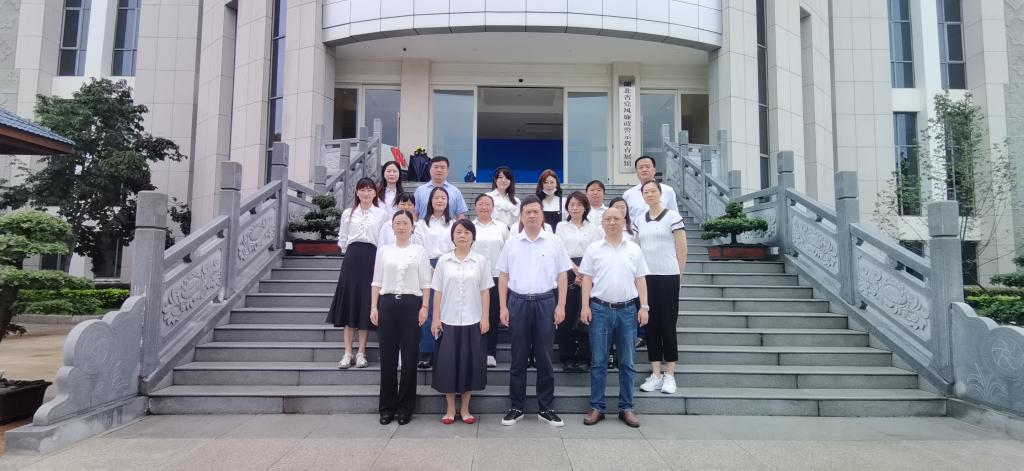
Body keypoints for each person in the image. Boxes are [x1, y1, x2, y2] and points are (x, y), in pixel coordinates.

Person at [496, 195, 572, 427]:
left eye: (535, 212)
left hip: (545, 302)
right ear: (521, 216)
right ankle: (516, 406)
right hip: (518, 303)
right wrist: (503, 306)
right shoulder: (511, 243)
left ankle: (546, 407)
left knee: (545, 358)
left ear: (542, 216)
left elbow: (562, 275)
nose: (531, 215)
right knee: (518, 358)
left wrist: (561, 305)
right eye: (527, 212)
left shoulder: (554, 242)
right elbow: (503, 276)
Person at [579, 206, 650, 428]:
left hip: (628, 311)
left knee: (627, 361)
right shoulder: (594, 249)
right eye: (607, 219)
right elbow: (587, 279)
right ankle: (597, 407)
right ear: (602, 222)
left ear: (623, 220)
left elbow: (640, 279)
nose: (612, 222)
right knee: (599, 360)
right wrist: (584, 306)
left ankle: (626, 407)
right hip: (599, 309)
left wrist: (644, 307)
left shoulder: (634, 249)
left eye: (616, 218)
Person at [371, 210, 432, 426]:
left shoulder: (420, 251)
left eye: (405, 223)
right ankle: (387, 407)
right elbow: (376, 281)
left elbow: (426, 283)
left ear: (412, 227)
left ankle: (406, 407)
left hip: (411, 305)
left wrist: (425, 307)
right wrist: (374, 307)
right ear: (392, 227)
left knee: (409, 357)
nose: (401, 227)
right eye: (398, 223)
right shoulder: (384, 251)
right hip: (387, 304)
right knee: (387, 358)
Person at [430, 220, 493, 425]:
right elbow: (437, 292)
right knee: (447, 365)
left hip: (473, 320)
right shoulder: (443, 261)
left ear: (473, 237)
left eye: (467, 232)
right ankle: (450, 409)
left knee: (470, 366)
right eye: (458, 232)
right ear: (452, 236)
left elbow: (485, 291)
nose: (462, 235)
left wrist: (485, 317)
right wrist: (435, 318)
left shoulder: (480, 261)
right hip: (447, 320)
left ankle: (465, 409)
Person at [327, 177, 389, 369]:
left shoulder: (382, 214)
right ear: (356, 191)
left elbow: (384, 239)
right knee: (350, 303)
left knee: (365, 304)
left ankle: (361, 352)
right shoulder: (348, 213)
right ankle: (347, 352)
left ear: (375, 192)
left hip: (372, 257)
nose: (366, 193)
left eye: (370, 189)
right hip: (352, 258)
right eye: (362, 189)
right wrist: (348, 253)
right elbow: (343, 238)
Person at [634, 180, 688, 395]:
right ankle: (656, 374)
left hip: (668, 277)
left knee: (667, 324)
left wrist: (679, 276)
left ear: (660, 193)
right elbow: (636, 250)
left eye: (653, 191)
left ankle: (670, 374)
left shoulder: (673, 217)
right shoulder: (639, 220)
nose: (649, 194)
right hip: (646, 278)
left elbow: (682, 249)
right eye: (645, 192)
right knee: (651, 326)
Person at [554, 191, 602, 372]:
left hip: (589, 271)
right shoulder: (561, 226)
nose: (575, 208)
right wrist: (576, 270)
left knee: (585, 314)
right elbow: (560, 251)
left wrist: (585, 273)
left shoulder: (594, 228)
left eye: (579, 205)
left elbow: (596, 251)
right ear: (567, 207)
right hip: (566, 270)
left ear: (585, 207)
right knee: (566, 314)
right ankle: (567, 357)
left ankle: (584, 357)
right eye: (571, 205)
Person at [414, 186, 456, 369]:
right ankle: (427, 351)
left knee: (449, 308)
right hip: (428, 266)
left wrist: (446, 266)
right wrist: (429, 268)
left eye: (443, 198)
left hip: (450, 266)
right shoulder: (421, 225)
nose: (440, 201)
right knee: (430, 309)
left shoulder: (453, 224)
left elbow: (457, 245)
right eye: (436, 197)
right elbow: (419, 248)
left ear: (448, 202)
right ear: (430, 201)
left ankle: (447, 350)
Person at [472, 193, 510, 368]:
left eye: (487, 204)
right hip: (474, 275)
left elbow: (508, 251)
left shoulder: (501, 227)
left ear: (493, 207)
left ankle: (489, 352)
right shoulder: (470, 226)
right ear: (475, 207)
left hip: (496, 275)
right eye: (480, 204)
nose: (484, 207)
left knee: (493, 315)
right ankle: (474, 350)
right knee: (475, 313)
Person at [621, 156, 679, 223]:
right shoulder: (628, 194)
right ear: (636, 171)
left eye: (647, 167)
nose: (644, 169)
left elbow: (675, 217)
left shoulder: (668, 191)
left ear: (654, 170)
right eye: (641, 167)